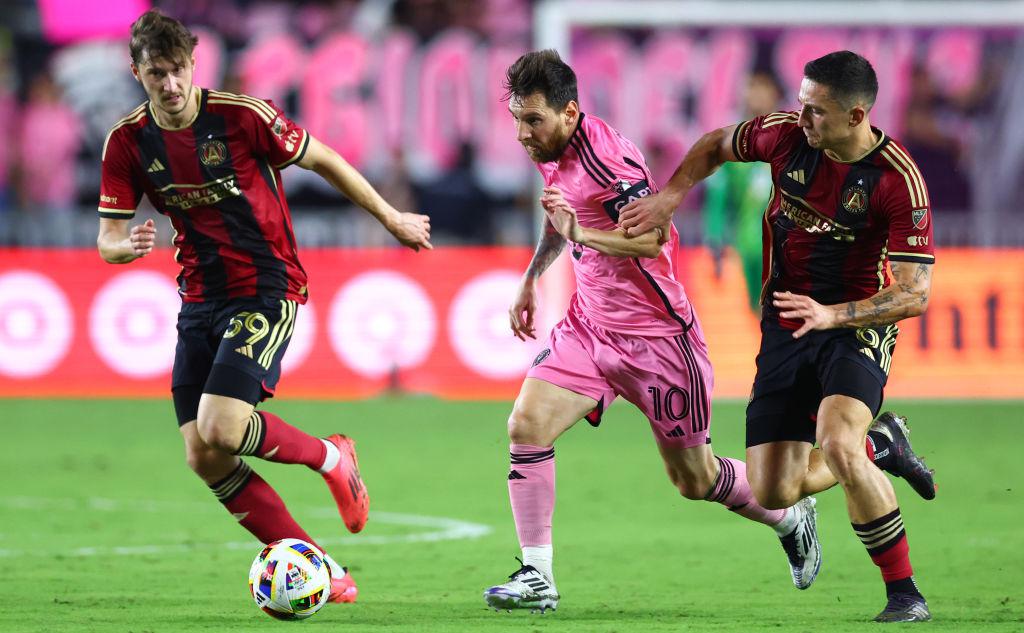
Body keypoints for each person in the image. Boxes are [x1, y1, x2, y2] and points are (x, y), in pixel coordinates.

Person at [96, 10, 432, 604]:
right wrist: (126, 248)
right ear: (136, 72)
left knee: (222, 426)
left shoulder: (242, 116)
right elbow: (108, 239)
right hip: (198, 298)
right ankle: (326, 570)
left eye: (178, 70)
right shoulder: (127, 142)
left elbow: (324, 159)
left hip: (265, 286)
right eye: (156, 74)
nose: (170, 85)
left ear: (194, 64)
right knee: (204, 456)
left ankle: (330, 457)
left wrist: (391, 217)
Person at [483, 50, 821, 614]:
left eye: (533, 120)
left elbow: (651, 238)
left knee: (694, 480)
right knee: (526, 424)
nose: (522, 133)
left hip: (658, 341)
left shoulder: (608, 163)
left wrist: (582, 235)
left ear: (569, 113)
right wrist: (532, 276)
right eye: (518, 119)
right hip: (591, 326)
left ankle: (789, 517)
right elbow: (562, 215)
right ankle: (537, 575)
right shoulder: (551, 148)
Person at [619, 50, 936, 622]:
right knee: (773, 491)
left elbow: (914, 293)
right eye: (801, 103)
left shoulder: (897, 180)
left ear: (856, 115)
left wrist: (833, 315)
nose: (801, 117)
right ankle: (883, 445)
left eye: (816, 110)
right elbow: (716, 144)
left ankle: (904, 594)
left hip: (854, 327)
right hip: (785, 324)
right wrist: (670, 195)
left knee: (837, 443)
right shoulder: (787, 135)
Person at [702, 70, 780, 311]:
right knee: (760, 312)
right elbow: (717, 196)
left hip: (789, 248)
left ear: (774, 93)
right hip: (748, 246)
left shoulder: (796, 138)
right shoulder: (729, 143)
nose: (755, 94)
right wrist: (714, 241)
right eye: (750, 87)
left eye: (761, 86)